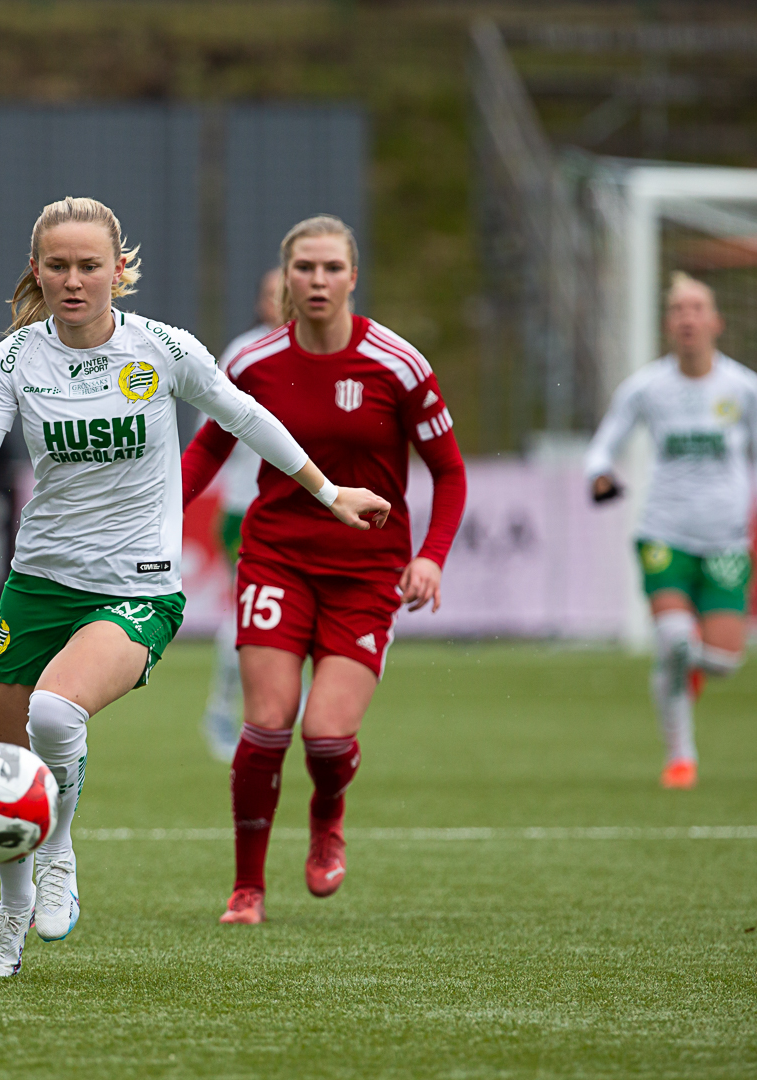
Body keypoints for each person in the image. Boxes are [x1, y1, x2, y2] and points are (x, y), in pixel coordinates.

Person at [0, 197, 391, 977]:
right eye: (57, 266)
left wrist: (327, 491)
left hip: (136, 584)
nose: (72, 281)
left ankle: (58, 855)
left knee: (54, 711)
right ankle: (11, 909)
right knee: (1, 763)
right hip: (38, 582)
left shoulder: (163, 348)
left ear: (118, 269)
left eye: (88, 266)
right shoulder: (12, 358)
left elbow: (245, 417)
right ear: (36, 270)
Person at [182, 214, 467, 927]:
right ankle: (247, 887)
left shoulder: (398, 364)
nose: (317, 280)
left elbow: (449, 472)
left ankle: (326, 816)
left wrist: (429, 558)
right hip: (276, 559)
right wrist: (155, 515)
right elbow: (209, 451)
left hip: (366, 573)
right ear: (286, 277)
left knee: (327, 738)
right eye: (304, 268)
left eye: (331, 268)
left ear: (352, 276)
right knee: (266, 726)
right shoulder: (253, 363)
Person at [585, 271, 757, 789]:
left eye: (696, 308)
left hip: (726, 540)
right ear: (668, 324)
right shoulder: (647, 388)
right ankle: (681, 757)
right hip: (664, 535)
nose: (687, 318)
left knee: (723, 663)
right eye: (678, 309)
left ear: (716, 322)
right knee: (674, 639)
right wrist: (600, 473)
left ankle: (686, 664)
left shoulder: (743, 388)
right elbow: (603, 445)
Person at [200, 267, 282, 761]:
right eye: (273, 293)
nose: (283, 300)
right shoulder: (243, 355)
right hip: (248, 510)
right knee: (250, 613)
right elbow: (209, 433)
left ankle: (288, 710)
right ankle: (223, 708)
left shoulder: (327, 353)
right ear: (259, 303)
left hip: (311, 511)